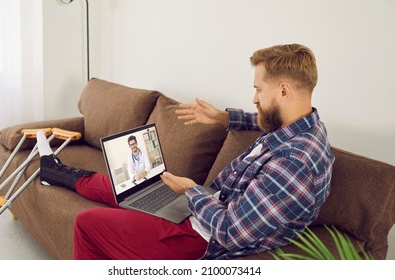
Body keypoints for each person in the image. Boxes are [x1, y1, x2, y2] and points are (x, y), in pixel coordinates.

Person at [37, 43, 335, 260]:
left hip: (201, 239)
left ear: (283, 91)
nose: (254, 98)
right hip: (207, 205)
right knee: (134, 184)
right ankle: (56, 172)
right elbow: (264, 123)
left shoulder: (295, 164)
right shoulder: (304, 127)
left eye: (258, 89)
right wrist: (223, 118)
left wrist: (191, 192)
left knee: (87, 223)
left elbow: (230, 231)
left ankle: (61, 175)